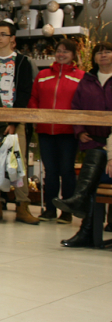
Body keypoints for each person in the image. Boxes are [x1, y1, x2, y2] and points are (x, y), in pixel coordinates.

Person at [0, 20, 40, 225]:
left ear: (12, 39)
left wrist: (13, 121)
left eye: (3, 34)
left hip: (14, 120)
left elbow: (24, 92)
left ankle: (23, 205)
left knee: (17, 162)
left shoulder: (22, 62)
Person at [53, 41, 112, 247]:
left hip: (110, 144)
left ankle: (82, 216)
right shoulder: (87, 79)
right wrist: (80, 131)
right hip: (93, 140)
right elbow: (76, 107)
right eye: (99, 52)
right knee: (95, 169)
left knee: (94, 169)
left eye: (107, 52)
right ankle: (86, 229)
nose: (103, 55)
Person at [27, 39, 84, 224]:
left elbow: (83, 102)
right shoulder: (43, 75)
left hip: (68, 132)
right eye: (59, 51)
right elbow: (34, 98)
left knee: (67, 171)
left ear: (73, 55)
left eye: (66, 52)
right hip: (45, 131)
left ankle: (67, 211)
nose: (61, 54)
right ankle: (49, 209)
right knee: (50, 171)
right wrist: (37, 119)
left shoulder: (81, 76)